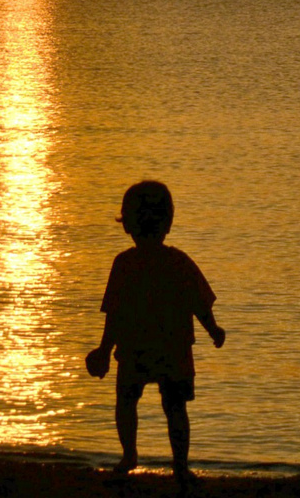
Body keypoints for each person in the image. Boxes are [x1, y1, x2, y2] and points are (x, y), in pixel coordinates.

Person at [85, 180, 226, 482]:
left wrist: (104, 349)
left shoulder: (124, 264)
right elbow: (200, 304)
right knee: (174, 406)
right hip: (172, 348)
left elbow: (114, 314)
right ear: (169, 222)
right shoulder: (177, 261)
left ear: (127, 224)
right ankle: (179, 464)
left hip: (136, 347)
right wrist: (213, 330)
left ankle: (130, 455)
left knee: (127, 400)